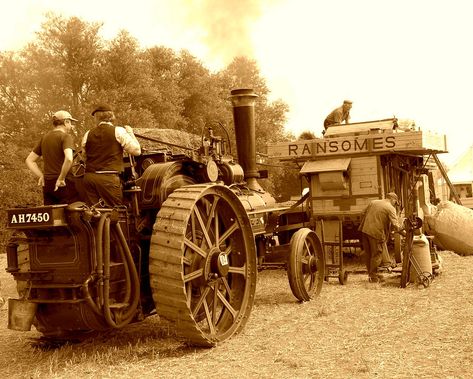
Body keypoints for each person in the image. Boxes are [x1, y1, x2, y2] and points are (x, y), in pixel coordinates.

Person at [81, 104, 141, 206]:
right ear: (111, 116)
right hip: (108, 178)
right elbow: (137, 151)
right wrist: (131, 133)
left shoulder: (88, 134)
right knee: (115, 212)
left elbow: (84, 156)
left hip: (89, 178)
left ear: (96, 118)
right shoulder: (118, 131)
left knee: (94, 213)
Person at [25, 110, 80, 205]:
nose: (71, 126)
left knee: (52, 216)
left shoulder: (45, 138)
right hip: (64, 183)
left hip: (48, 183)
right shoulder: (66, 137)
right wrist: (61, 178)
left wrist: (41, 176)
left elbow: (29, 160)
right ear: (66, 122)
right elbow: (69, 158)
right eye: (70, 122)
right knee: (73, 214)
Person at [358, 192, 404, 283]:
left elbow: (362, 213)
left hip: (364, 230)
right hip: (376, 232)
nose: (395, 205)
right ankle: (373, 277)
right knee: (377, 254)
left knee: (369, 254)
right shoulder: (390, 208)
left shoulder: (373, 202)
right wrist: (403, 230)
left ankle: (371, 275)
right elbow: (396, 225)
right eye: (395, 203)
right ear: (392, 200)